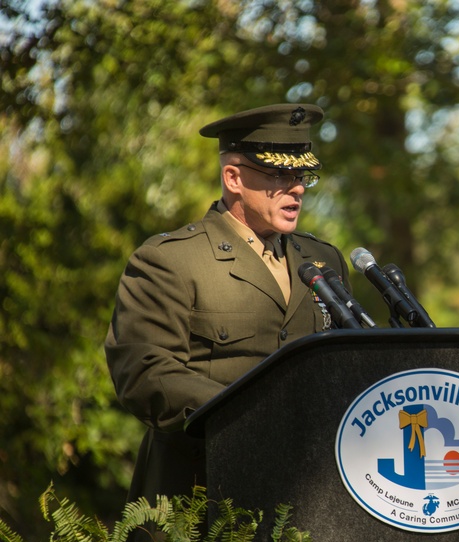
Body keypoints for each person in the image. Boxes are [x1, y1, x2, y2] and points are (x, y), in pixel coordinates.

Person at [105, 103, 352, 504]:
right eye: (279, 175)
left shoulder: (323, 261)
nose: (298, 188)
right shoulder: (171, 260)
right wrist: (249, 412)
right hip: (199, 496)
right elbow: (144, 373)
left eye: (302, 175)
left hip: (308, 498)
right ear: (233, 177)